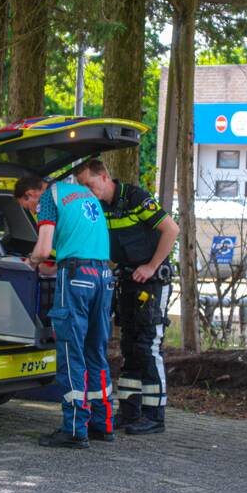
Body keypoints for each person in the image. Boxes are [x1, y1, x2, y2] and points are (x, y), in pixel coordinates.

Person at [75, 159, 180, 435]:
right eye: (82, 187)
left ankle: (154, 415)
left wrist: (151, 266)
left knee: (148, 345)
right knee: (129, 346)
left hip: (152, 282)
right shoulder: (98, 207)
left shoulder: (135, 198)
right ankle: (130, 411)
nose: (87, 191)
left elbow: (171, 229)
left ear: (104, 176)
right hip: (127, 281)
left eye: (89, 184)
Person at [15, 174, 115, 448]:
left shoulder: (49, 197)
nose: (32, 211)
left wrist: (31, 262)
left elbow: (44, 248)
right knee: (95, 350)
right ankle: (103, 423)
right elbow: (78, 248)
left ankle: (73, 429)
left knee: (71, 353)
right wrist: (53, 267)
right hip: (102, 276)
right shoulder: (84, 194)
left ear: (31, 194)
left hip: (76, 280)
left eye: (27, 206)